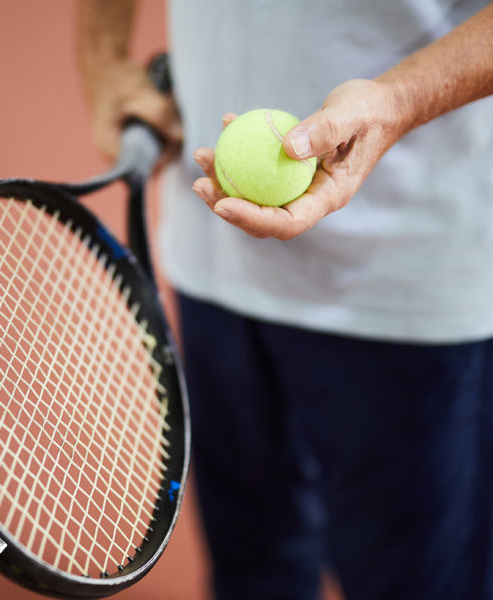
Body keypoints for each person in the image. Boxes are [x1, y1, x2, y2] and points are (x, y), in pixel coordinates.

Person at [76, 1, 493, 599]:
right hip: (212, 268)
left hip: (405, 290)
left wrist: (396, 101)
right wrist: (105, 59)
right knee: (253, 574)